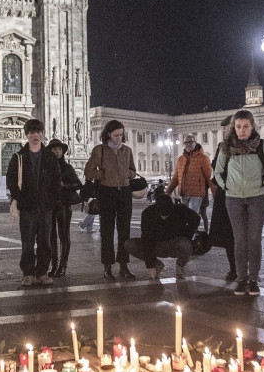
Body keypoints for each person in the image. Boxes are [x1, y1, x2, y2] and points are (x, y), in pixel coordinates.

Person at [214, 109, 264, 296]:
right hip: (233, 198)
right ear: (234, 128)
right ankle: (241, 279)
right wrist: (227, 186)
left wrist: (262, 184)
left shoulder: (262, 147)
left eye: (246, 126)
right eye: (238, 127)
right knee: (240, 240)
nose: (242, 130)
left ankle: (254, 280)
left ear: (252, 127)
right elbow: (216, 173)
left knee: (254, 240)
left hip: (257, 198)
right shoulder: (225, 148)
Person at [7, 119, 61, 287]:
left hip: (45, 207)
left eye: (38, 132)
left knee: (45, 242)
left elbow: (56, 180)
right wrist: (19, 198)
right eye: (32, 132)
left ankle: (43, 272)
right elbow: (11, 180)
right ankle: (28, 273)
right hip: (28, 207)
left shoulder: (49, 157)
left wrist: (52, 201)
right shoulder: (19, 157)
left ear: (42, 134)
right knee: (27, 242)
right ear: (27, 134)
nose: (35, 135)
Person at [84, 120, 139, 280]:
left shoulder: (127, 150)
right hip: (107, 192)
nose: (119, 138)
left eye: (121, 135)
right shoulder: (99, 150)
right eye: (116, 135)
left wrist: (129, 175)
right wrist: (102, 175)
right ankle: (107, 267)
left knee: (125, 231)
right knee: (106, 231)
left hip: (124, 193)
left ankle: (124, 265)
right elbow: (88, 170)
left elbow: (133, 170)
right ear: (108, 134)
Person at [125, 188, 200, 279]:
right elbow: (146, 239)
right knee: (129, 244)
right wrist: (150, 265)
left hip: (175, 244)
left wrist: (187, 235)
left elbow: (196, 219)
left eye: (167, 215)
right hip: (155, 245)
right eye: (162, 215)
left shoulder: (181, 209)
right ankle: (157, 264)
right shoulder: (148, 213)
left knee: (186, 244)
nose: (164, 218)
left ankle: (180, 266)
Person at [47, 138, 81, 277]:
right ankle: (54, 265)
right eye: (54, 149)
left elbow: (78, 184)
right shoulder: (46, 167)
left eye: (59, 149)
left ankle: (63, 265)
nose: (57, 152)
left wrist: (65, 185)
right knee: (51, 237)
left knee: (64, 235)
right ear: (50, 151)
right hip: (49, 205)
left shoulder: (67, 168)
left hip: (63, 204)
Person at [209, 116, 237, 281]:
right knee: (228, 234)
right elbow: (216, 169)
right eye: (225, 129)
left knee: (240, 233)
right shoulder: (221, 146)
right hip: (224, 193)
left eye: (228, 128)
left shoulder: (248, 145)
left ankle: (242, 269)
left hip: (239, 192)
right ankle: (234, 268)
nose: (226, 131)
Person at [165, 133, 213, 217]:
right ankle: (189, 230)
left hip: (196, 194)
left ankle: (193, 230)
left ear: (195, 143)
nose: (188, 145)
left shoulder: (203, 158)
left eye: (190, 142)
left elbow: (209, 178)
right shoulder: (181, 159)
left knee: (192, 216)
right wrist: (168, 192)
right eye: (186, 143)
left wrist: (215, 193)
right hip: (184, 193)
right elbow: (176, 177)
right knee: (184, 217)